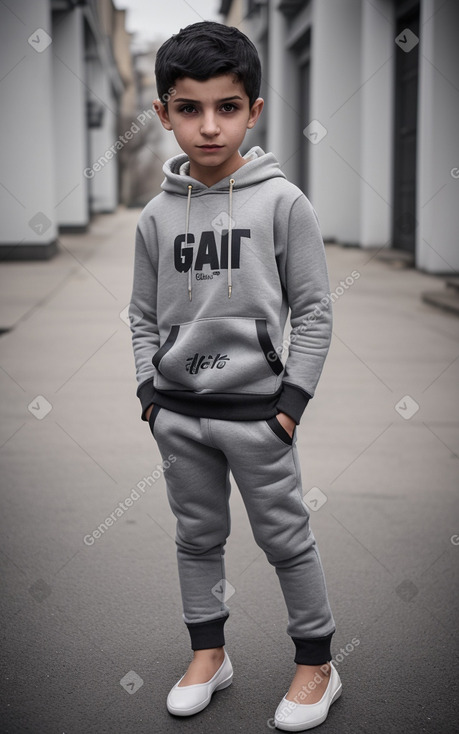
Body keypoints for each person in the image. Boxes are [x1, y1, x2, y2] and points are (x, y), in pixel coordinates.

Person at [128, 20, 341, 731]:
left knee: (285, 539)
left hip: (257, 414)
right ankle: (209, 655)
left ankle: (316, 665)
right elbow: (138, 316)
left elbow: (313, 311)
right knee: (196, 537)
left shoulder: (283, 203)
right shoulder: (156, 217)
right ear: (163, 113)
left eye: (227, 107)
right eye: (188, 109)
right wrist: (149, 395)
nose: (208, 126)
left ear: (253, 110)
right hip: (179, 414)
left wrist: (289, 404)